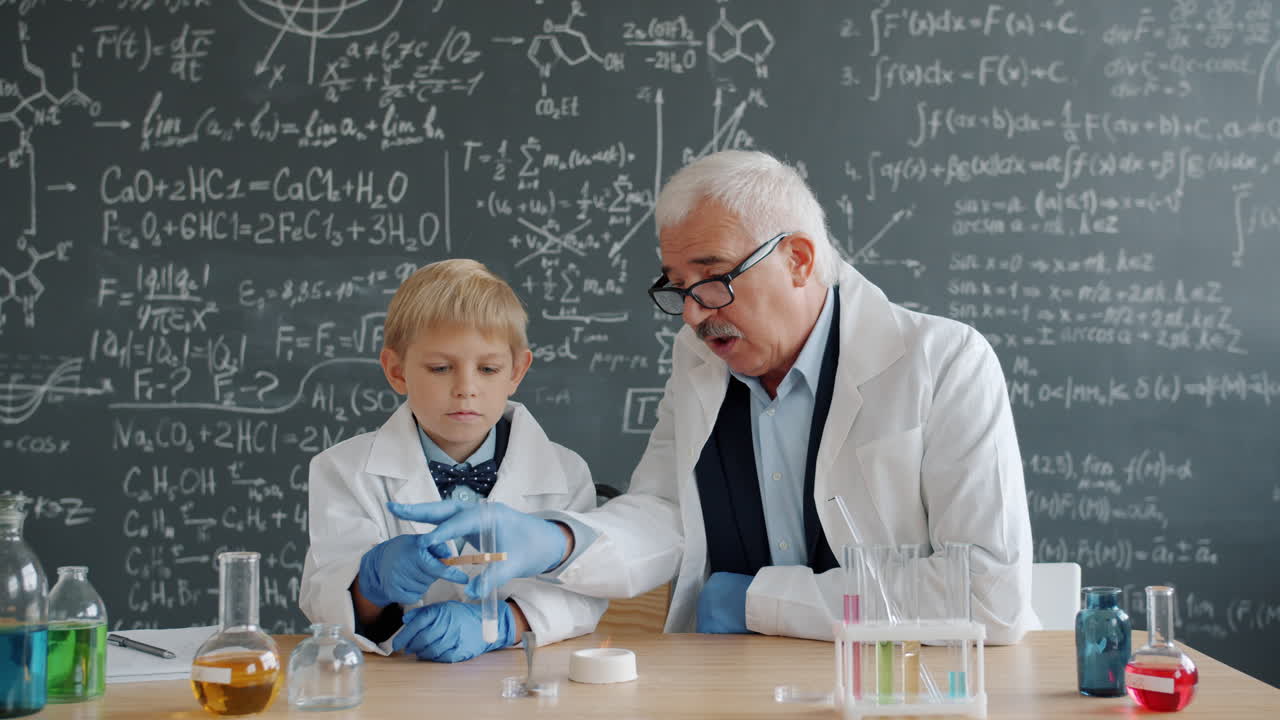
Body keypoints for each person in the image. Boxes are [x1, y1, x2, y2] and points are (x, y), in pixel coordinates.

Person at [389, 150, 1038, 644]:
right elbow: (665, 512)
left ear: (800, 261)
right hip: (733, 682)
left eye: (714, 278)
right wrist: (557, 540)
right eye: (677, 286)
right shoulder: (701, 358)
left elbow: (986, 594)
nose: (694, 316)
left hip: (908, 687)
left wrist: (757, 601)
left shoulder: (944, 361)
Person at [299, 259, 605, 661]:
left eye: (489, 368)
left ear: (517, 370)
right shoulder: (342, 470)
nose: (466, 388)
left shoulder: (565, 472)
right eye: (440, 368)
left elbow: (584, 596)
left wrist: (504, 625)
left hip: (517, 681)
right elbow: (324, 603)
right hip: (397, 686)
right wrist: (369, 583)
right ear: (396, 371)